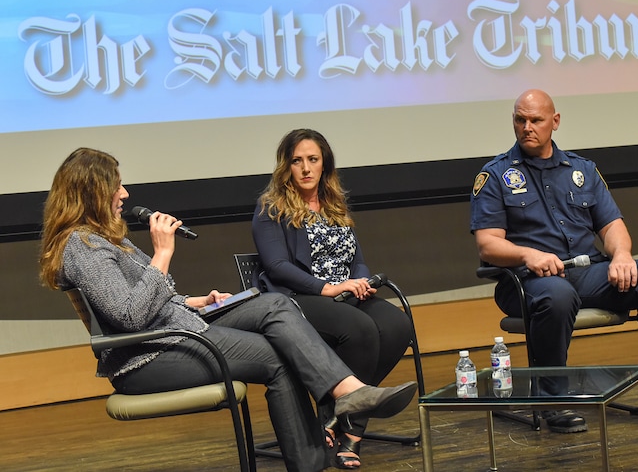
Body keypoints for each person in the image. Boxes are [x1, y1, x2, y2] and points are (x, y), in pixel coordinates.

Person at [39, 147, 417, 472]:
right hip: (148, 356)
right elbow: (130, 316)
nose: (124, 192)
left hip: (177, 328)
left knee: (273, 303)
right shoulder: (81, 247)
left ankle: (347, 392)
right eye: (115, 185)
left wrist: (195, 301)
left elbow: (145, 300)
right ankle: (322, 442)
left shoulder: (107, 239)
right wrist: (163, 253)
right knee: (277, 358)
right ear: (91, 193)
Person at [470, 89, 638, 433]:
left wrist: (621, 254)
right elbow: (488, 244)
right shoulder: (496, 175)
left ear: (555, 122)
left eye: (536, 120)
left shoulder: (582, 169)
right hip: (527, 283)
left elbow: (613, 226)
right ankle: (553, 399)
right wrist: (528, 254)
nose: (527, 127)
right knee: (558, 294)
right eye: (520, 120)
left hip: (585, 272)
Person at [252, 128, 414, 469]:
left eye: (313, 160)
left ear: (325, 165)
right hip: (299, 298)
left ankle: (340, 424)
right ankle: (345, 431)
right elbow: (277, 266)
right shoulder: (271, 207)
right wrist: (328, 288)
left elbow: (356, 256)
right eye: (297, 161)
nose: (306, 168)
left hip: (344, 293)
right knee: (361, 330)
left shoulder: (334, 203)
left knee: (397, 325)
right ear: (286, 167)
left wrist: (360, 280)